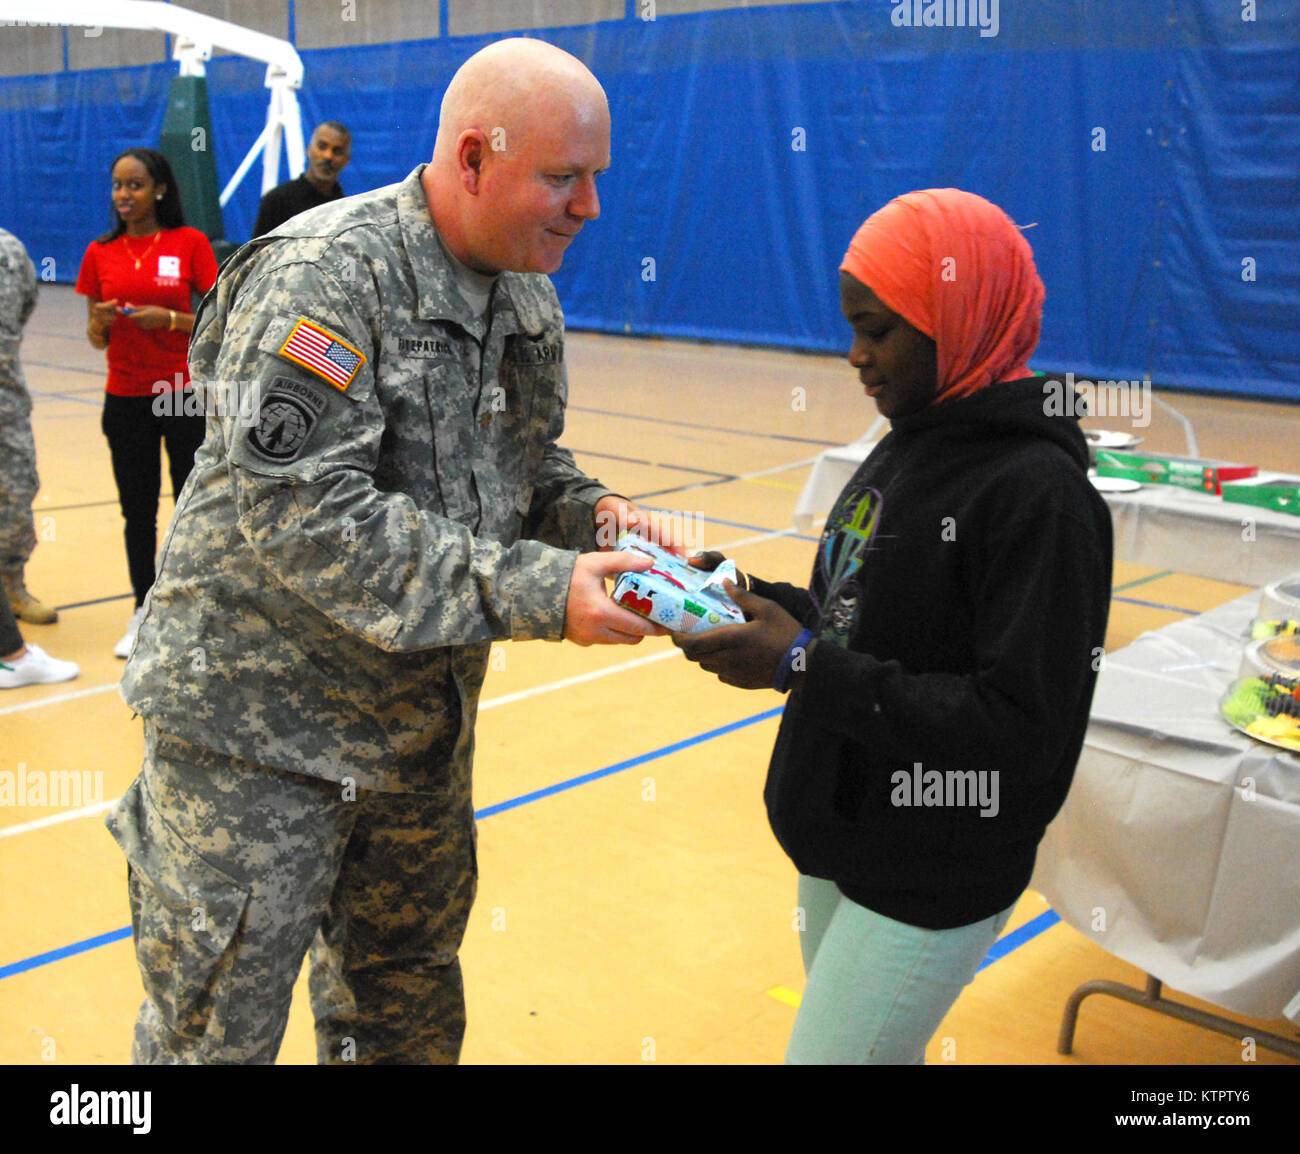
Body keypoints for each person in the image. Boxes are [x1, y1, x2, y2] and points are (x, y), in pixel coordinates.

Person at [109, 38, 671, 1065]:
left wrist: (599, 520)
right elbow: (304, 509)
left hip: (411, 733)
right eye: (562, 177)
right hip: (257, 736)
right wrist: (541, 586)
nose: (589, 205)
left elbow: (523, 465)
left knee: (403, 1006)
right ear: (472, 157)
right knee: (213, 1032)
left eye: (595, 175)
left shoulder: (523, 288)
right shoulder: (326, 280)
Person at [676, 189, 1113, 1064]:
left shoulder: (1042, 495)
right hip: (841, 834)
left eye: (878, 329)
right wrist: (753, 600)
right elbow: (857, 623)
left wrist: (799, 664)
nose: (855, 356)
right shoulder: (913, 434)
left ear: (956, 317)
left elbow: (1018, 728)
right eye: (850, 327)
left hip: (933, 864)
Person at [75, 149, 220, 658]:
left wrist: (173, 321)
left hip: (179, 395)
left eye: (134, 185)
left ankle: (194, 605)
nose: (123, 195)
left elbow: (221, 316)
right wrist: (102, 322)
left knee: (189, 506)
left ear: (159, 189)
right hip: (126, 398)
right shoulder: (99, 253)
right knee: (137, 512)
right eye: (117, 185)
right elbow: (94, 337)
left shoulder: (189, 243)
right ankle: (144, 609)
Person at [0, 226, 59, 624]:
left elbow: (25, 307)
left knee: (17, 494)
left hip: (6, 403)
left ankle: (11, 586)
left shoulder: (9, 249)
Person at [252, 121, 352, 237]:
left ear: (346, 160)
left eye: (337, 151)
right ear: (309, 150)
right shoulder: (277, 200)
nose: (328, 156)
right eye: (322, 147)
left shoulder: (346, 209)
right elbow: (258, 253)